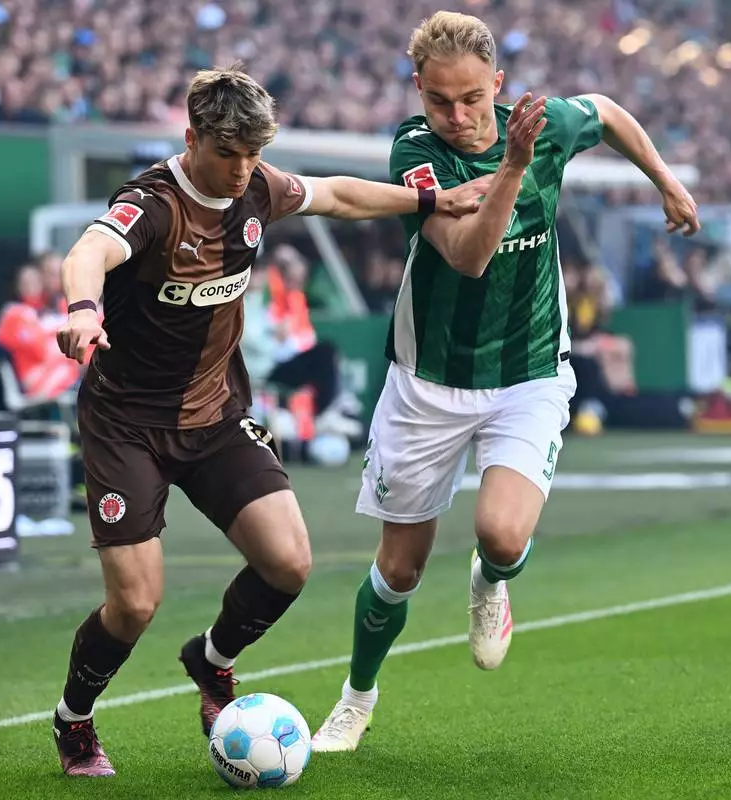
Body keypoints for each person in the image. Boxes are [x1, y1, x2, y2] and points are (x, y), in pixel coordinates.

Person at [48, 64, 491, 778]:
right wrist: (82, 310)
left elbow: (337, 195)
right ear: (191, 138)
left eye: (253, 155)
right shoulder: (153, 204)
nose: (241, 170)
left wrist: (430, 198)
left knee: (288, 564)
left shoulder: (255, 187)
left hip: (217, 416)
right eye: (227, 154)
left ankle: (211, 660)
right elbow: (89, 251)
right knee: (134, 604)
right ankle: (74, 719)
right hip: (127, 426)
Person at [311, 11, 700, 752]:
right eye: (439, 101)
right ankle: (357, 698)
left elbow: (606, 112)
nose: (456, 117)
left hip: (528, 372)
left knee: (502, 533)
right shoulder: (416, 152)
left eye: (470, 99)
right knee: (398, 571)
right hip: (429, 381)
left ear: (498, 84)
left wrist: (666, 181)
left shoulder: (544, 125)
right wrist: (514, 168)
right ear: (418, 89)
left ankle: (490, 581)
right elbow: (467, 256)